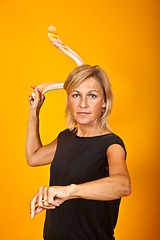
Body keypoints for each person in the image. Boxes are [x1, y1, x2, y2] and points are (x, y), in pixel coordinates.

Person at [26, 64, 131, 240]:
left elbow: (123, 185)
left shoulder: (111, 144)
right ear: (69, 100)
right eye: (76, 95)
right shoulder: (66, 137)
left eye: (92, 95)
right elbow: (33, 157)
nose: (83, 104)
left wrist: (69, 191)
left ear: (104, 102)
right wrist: (33, 112)